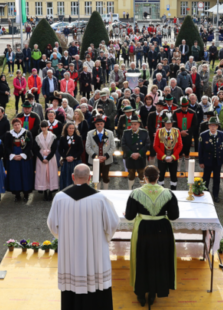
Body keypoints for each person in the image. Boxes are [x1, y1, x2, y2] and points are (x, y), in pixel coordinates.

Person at [47, 164, 120, 310]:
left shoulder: (60, 197)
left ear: (72, 177)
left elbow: (52, 224)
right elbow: (112, 224)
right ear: (90, 178)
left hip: (70, 255)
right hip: (95, 253)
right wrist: (104, 238)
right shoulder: (100, 198)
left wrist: (66, 237)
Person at [125, 165, 179, 307]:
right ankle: (154, 292)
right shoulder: (168, 193)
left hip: (143, 229)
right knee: (159, 259)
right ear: (158, 177)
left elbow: (130, 216)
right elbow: (174, 216)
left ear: (145, 178)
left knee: (142, 259)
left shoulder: (136, 193)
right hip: (162, 230)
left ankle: (141, 294)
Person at [4, 118, 35, 203]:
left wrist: (22, 155)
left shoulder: (27, 133)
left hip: (24, 158)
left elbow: (30, 145)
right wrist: (13, 155)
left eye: (18, 124)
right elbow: (6, 146)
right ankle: (17, 194)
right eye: (15, 125)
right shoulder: (8, 134)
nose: (17, 126)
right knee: (15, 176)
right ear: (12, 126)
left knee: (25, 175)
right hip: (13, 158)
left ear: (21, 124)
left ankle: (26, 194)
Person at [197, 117, 223, 203]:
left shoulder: (222, 134)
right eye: (211, 125)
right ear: (208, 126)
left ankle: (216, 195)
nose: (213, 127)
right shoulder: (203, 135)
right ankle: (205, 194)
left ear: (217, 126)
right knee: (206, 178)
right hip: (207, 161)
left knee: (217, 179)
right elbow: (200, 150)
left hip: (218, 160)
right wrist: (201, 161)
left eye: (214, 125)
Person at [86, 115, 116, 189]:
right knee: (96, 177)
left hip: (106, 159)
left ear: (104, 124)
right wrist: (96, 157)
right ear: (95, 125)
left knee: (106, 177)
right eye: (97, 124)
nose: (99, 125)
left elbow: (113, 146)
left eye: (101, 124)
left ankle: (106, 191)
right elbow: (87, 147)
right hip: (95, 159)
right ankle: (97, 191)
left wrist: (105, 156)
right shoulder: (90, 133)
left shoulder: (110, 133)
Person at [153, 114, 183, 190]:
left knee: (173, 176)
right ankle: (161, 192)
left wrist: (173, 156)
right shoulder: (159, 131)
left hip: (174, 158)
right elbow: (155, 146)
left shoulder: (176, 131)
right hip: (162, 158)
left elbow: (180, 145)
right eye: (167, 123)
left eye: (170, 123)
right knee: (160, 176)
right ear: (164, 123)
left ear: (172, 123)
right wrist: (164, 156)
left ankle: (173, 192)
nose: (168, 124)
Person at [121, 118, 150, 190]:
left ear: (139, 124)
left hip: (140, 158)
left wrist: (139, 154)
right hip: (130, 158)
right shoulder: (126, 133)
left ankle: (143, 191)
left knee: (142, 175)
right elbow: (123, 145)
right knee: (131, 175)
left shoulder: (144, 132)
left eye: (135, 124)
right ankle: (130, 190)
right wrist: (131, 154)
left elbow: (147, 144)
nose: (133, 126)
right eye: (132, 124)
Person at [172, 97, 199, 171]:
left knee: (187, 152)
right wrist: (180, 131)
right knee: (179, 152)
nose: (184, 108)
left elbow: (195, 124)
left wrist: (188, 131)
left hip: (188, 135)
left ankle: (187, 168)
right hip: (178, 135)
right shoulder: (176, 112)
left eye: (185, 106)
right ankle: (178, 168)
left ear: (188, 106)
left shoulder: (192, 112)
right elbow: (174, 124)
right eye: (183, 106)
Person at [35, 120, 59, 201]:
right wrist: (42, 159)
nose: (43, 129)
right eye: (42, 127)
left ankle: (51, 191)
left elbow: (54, 149)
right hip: (41, 157)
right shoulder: (38, 137)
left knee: (51, 173)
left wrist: (48, 158)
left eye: (45, 127)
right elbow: (35, 149)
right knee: (42, 174)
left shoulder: (53, 136)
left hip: (50, 157)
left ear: (47, 127)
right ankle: (44, 191)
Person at [58, 122, 84, 190]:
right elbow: (60, 150)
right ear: (66, 129)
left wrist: (73, 157)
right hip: (66, 161)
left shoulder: (78, 138)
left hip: (76, 161)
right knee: (66, 176)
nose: (71, 130)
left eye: (73, 128)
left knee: (75, 176)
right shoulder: (62, 138)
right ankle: (66, 190)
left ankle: (76, 190)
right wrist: (65, 157)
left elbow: (81, 149)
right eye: (70, 128)